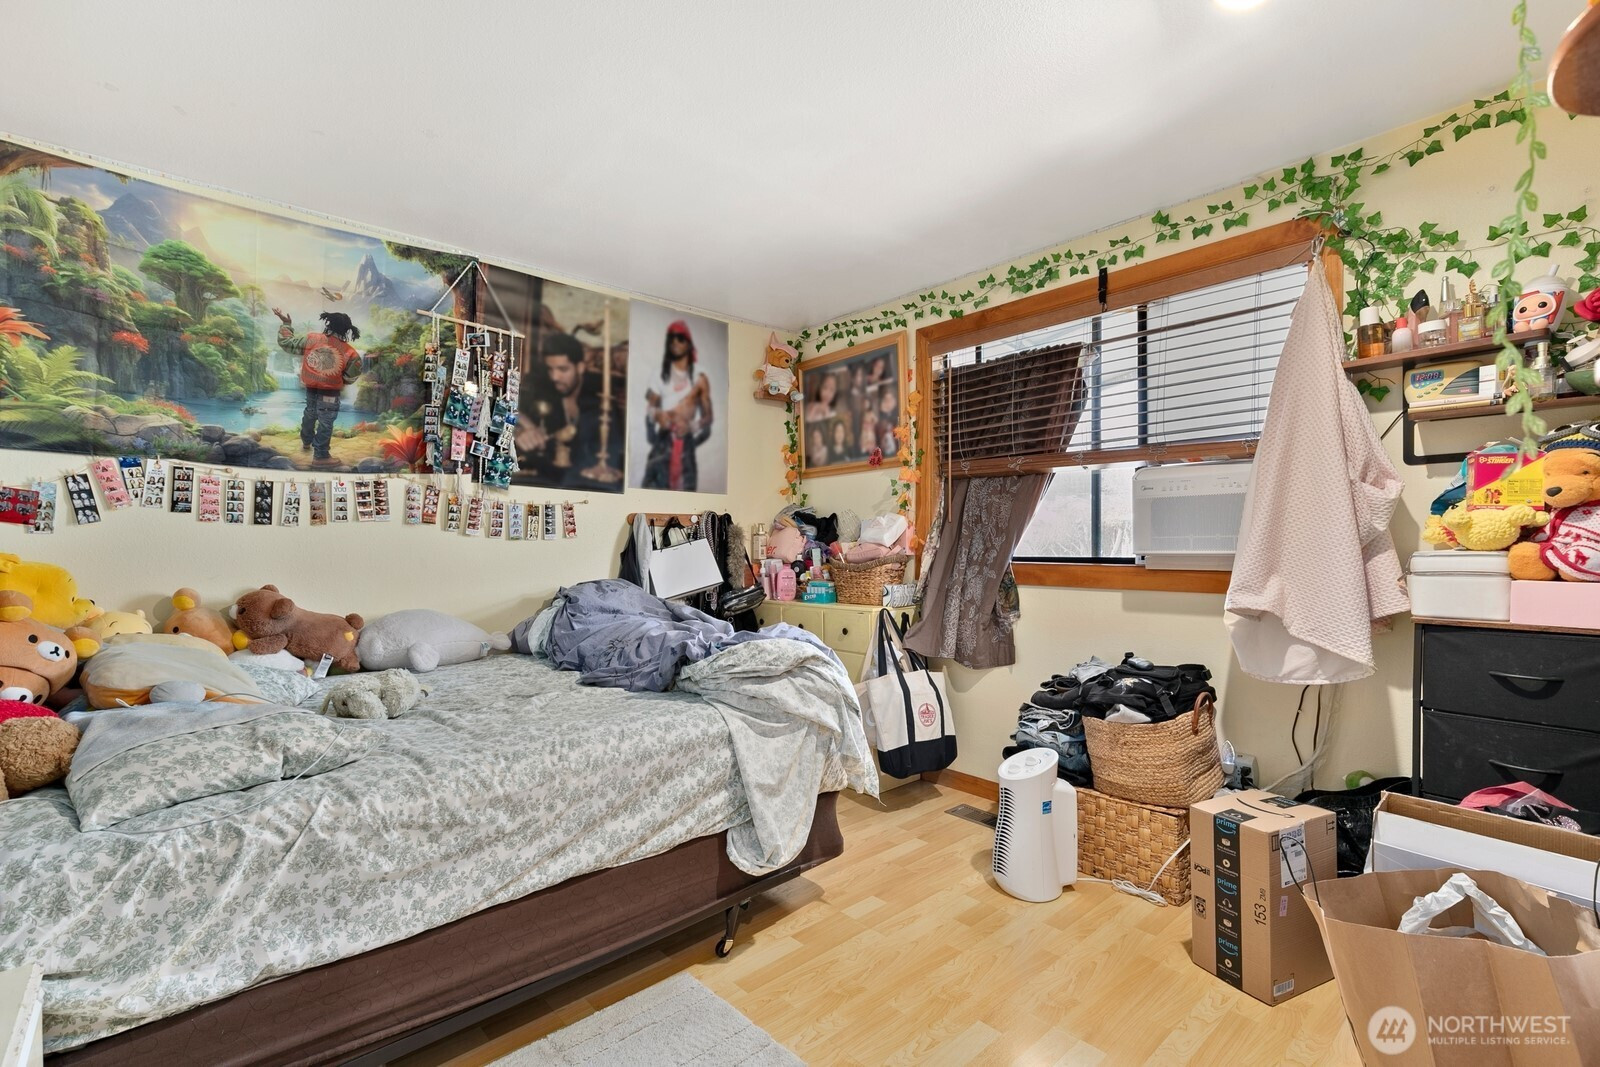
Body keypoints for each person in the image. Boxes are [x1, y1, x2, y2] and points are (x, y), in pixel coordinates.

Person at [515, 331, 619, 487]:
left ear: (580, 367)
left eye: (563, 369)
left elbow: (611, 456)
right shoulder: (541, 388)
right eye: (550, 369)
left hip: (585, 484)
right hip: (543, 480)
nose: (555, 377)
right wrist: (520, 428)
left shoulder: (601, 399)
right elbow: (507, 409)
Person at [274, 308, 364, 468]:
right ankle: (321, 456)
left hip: (311, 388)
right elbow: (351, 376)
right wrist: (338, 380)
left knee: (310, 412)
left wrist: (286, 324)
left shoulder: (311, 339)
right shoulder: (350, 352)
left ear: (328, 324)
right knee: (326, 421)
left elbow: (287, 343)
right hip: (330, 392)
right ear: (346, 330)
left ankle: (306, 441)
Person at [641, 320, 714, 491]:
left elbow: (708, 417)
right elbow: (650, 409)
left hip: (686, 446)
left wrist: (691, 427)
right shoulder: (659, 374)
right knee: (653, 494)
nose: (675, 342)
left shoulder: (700, 377)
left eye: (680, 338)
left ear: (688, 343)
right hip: (662, 445)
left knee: (685, 495)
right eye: (671, 338)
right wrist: (657, 414)